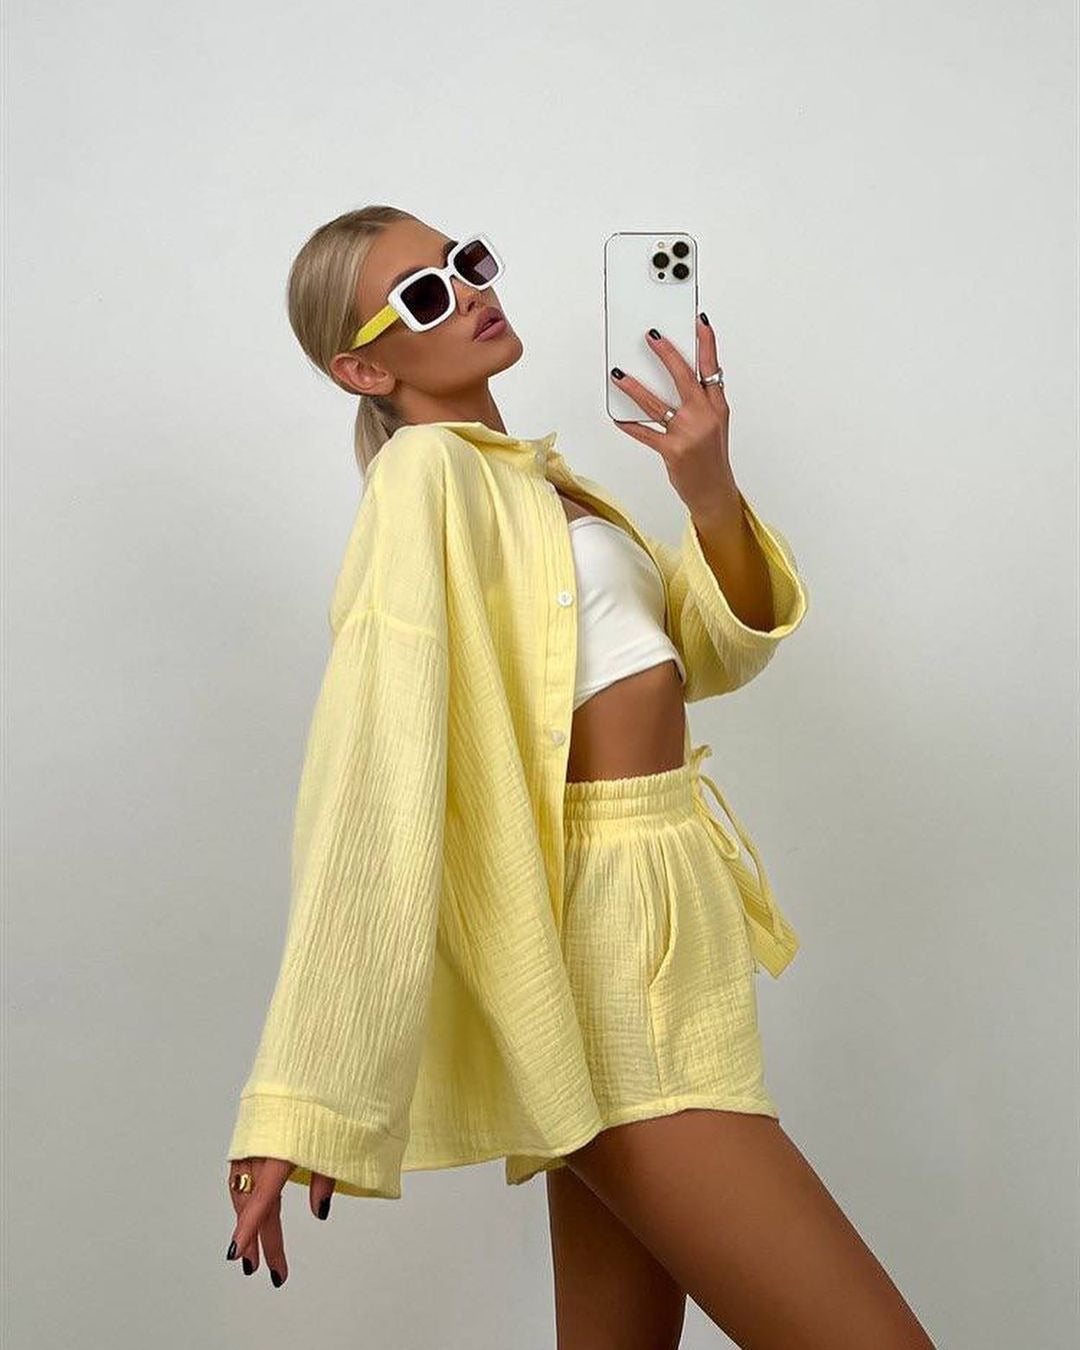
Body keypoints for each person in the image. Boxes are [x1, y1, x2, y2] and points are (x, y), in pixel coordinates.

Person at [223, 205, 936, 1349]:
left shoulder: (537, 481)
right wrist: (298, 1097)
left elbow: (704, 657)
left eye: (463, 263)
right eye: (423, 295)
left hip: (662, 912)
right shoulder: (427, 481)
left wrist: (707, 489)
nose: (468, 291)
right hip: (602, 943)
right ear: (363, 369)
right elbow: (374, 768)